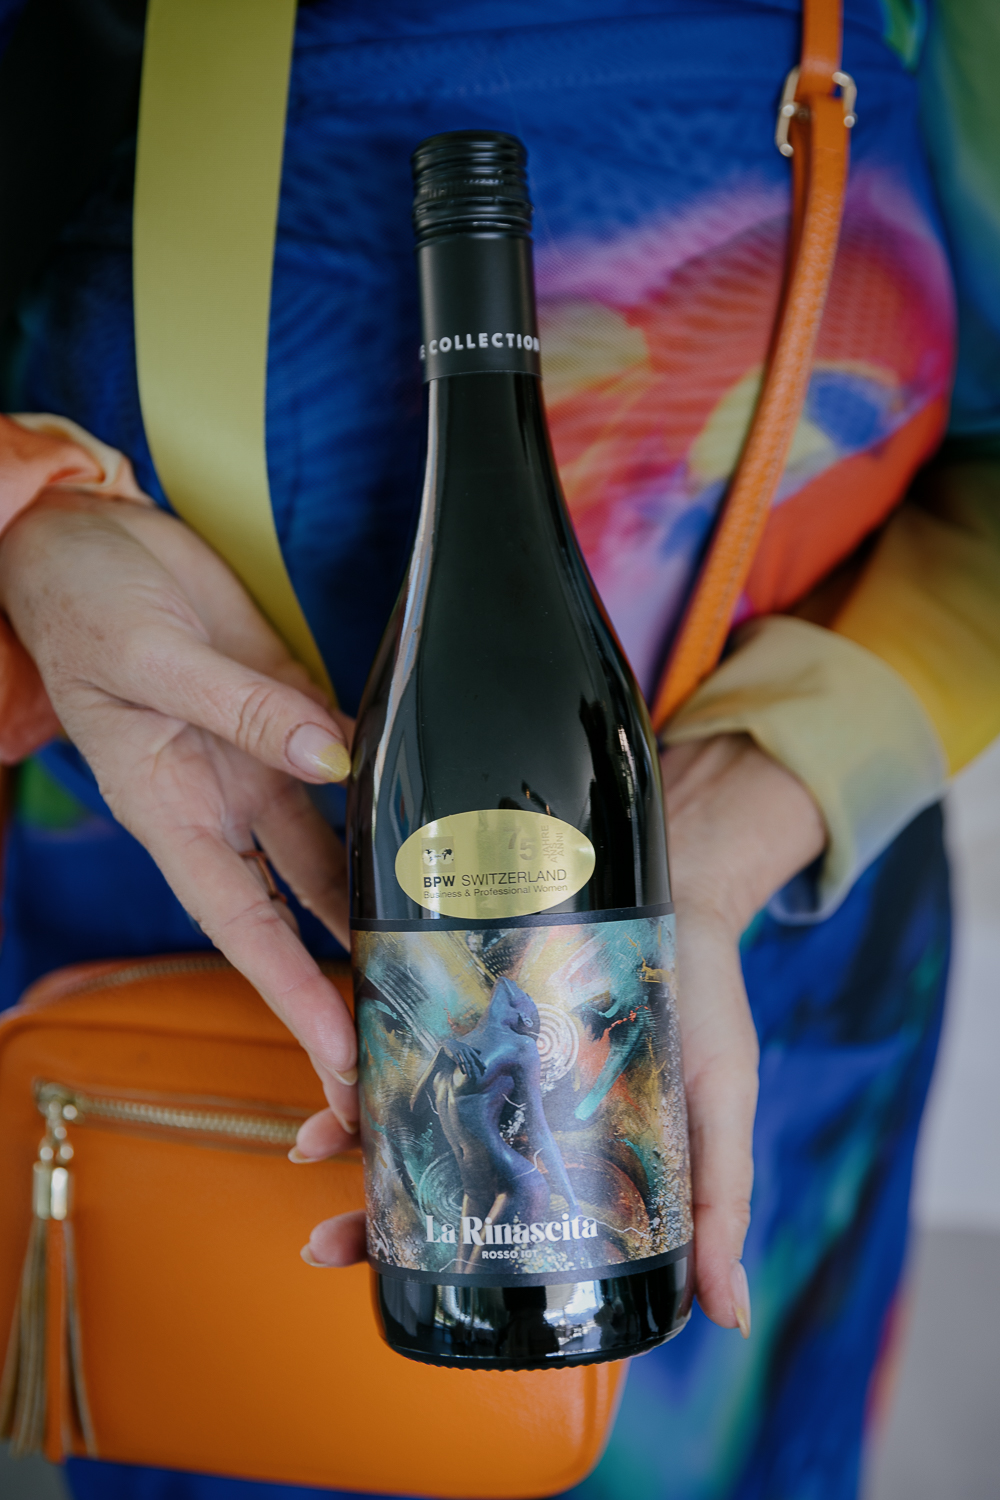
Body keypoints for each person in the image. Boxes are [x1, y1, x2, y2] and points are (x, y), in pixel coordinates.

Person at [0, 1, 997, 1498]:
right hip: (201, 906)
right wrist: (30, 516)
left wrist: (773, 786)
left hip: (774, 934)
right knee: (267, 1420)